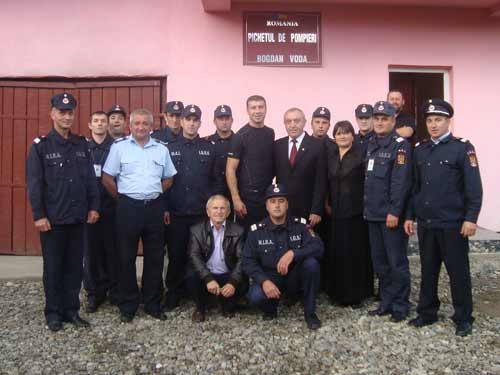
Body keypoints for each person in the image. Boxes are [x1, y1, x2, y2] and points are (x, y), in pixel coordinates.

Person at [404, 99, 483, 337]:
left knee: (458, 272)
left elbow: (473, 187)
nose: (433, 124)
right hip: (427, 223)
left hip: (453, 224)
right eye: (429, 120)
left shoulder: (462, 149)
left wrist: (471, 218)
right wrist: (410, 215)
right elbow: (414, 186)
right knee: (428, 270)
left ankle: (463, 318)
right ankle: (427, 312)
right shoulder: (420, 149)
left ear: (448, 121)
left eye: (438, 120)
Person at [26, 92, 100, 332]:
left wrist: (93, 207)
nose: (67, 116)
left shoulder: (81, 145)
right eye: (62, 112)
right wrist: (39, 215)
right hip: (53, 219)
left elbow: (90, 179)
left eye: (70, 113)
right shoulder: (41, 147)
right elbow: (35, 184)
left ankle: (71, 310)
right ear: (53, 114)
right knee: (54, 267)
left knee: (74, 267)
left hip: (78, 217)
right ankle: (53, 312)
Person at [102, 108, 176, 322]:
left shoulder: (161, 149)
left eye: (145, 123)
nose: (141, 127)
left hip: (154, 207)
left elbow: (169, 178)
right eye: (137, 123)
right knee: (126, 258)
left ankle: (152, 304)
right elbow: (107, 178)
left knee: (154, 258)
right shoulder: (119, 148)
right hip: (128, 208)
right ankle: (128, 306)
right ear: (130, 126)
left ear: (151, 127)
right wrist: (124, 199)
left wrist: (153, 193)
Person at [164, 104, 223, 310]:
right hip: (177, 212)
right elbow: (164, 180)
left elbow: (216, 180)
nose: (191, 123)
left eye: (195, 119)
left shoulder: (210, 148)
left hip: (201, 213)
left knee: (202, 253)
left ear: (200, 122)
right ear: (181, 122)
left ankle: (200, 292)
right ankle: (174, 291)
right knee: (176, 253)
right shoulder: (169, 148)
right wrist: (165, 208)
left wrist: (213, 208)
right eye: (187, 119)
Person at [243, 184, 324, 330]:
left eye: (281, 201)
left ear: (287, 204)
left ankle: (310, 313)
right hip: (271, 277)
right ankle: (270, 309)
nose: (277, 205)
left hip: (294, 276)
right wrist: (264, 281)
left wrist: (293, 253)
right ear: (267, 206)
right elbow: (248, 261)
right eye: (272, 201)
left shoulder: (300, 225)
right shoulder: (256, 231)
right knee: (255, 296)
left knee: (312, 264)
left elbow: (318, 247)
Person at [364, 101, 412, 323]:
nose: (380, 122)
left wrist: (395, 212)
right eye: (377, 118)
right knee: (380, 263)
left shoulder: (400, 146)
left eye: (385, 118)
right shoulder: (371, 142)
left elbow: (400, 183)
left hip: (390, 216)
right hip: (373, 213)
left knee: (397, 263)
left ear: (394, 121)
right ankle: (386, 302)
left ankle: (401, 306)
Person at [324, 121, 373, 307]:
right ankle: (338, 293)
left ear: (353, 135)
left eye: (346, 133)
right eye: (338, 133)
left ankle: (356, 295)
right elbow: (327, 182)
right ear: (334, 136)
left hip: (356, 213)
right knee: (338, 252)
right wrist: (326, 202)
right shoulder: (332, 155)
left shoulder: (362, 155)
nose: (342, 136)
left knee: (355, 254)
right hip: (336, 212)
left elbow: (367, 184)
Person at [186, 194, 247, 322]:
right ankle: (200, 308)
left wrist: (233, 282)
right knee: (191, 276)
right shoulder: (196, 230)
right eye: (215, 208)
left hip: (227, 275)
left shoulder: (238, 230)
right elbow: (194, 256)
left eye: (222, 208)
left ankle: (227, 304)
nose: (219, 211)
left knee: (244, 282)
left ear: (228, 212)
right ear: (208, 212)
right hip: (207, 275)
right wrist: (208, 278)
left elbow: (242, 259)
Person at [84, 111, 120, 312]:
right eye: (95, 121)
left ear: (108, 125)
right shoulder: (83, 148)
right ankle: (93, 293)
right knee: (91, 253)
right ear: (90, 124)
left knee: (113, 251)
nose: (99, 124)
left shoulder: (116, 148)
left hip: (111, 208)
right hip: (90, 210)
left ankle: (114, 291)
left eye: (103, 121)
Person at [226, 95, 275, 233]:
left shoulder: (270, 133)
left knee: (268, 239)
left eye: (261, 107)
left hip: (267, 198)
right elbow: (230, 169)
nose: (257, 111)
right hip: (247, 200)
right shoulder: (240, 136)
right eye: (253, 107)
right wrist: (236, 199)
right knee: (248, 241)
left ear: (266, 109)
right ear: (247, 111)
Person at [273, 107, 326, 225]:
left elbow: (320, 182)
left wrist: (316, 210)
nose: (292, 125)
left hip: (308, 210)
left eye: (296, 121)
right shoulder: (277, 145)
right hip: (283, 210)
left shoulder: (317, 146)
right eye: (288, 121)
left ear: (304, 122)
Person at [207, 105, 234, 199]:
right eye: (220, 119)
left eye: (227, 118)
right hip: (212, 194)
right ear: (214, 121)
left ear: (232, 120)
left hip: (235, 193)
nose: (224, 122)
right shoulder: (206, 143)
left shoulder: (239, 141)